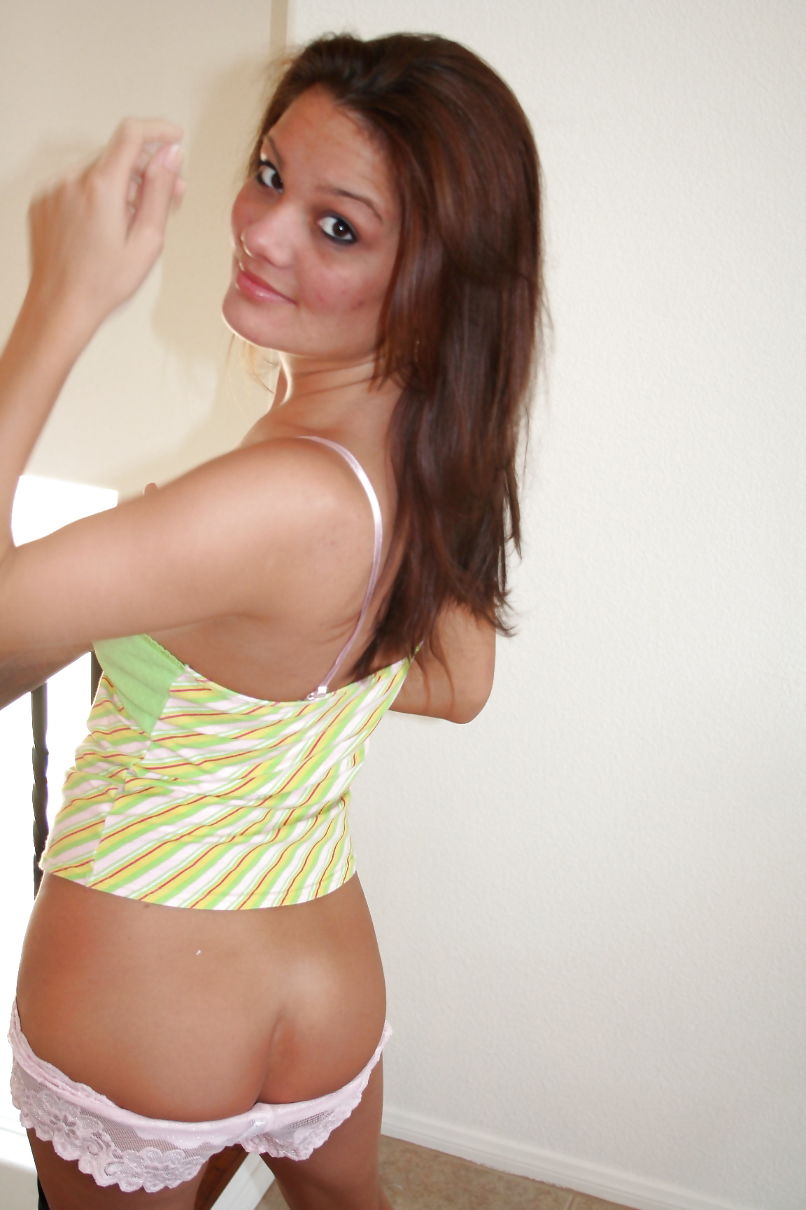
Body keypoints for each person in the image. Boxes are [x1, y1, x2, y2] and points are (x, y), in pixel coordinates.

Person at [0, 31, 543, 1210]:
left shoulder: (276, 498)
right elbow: (457, 683)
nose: (261, 229)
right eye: (269, 174)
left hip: (148, 1004)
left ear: (434, 278)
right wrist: (251, 629)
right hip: (325, 983)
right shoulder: (424, 457)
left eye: (337, 226)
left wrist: (59, 304)